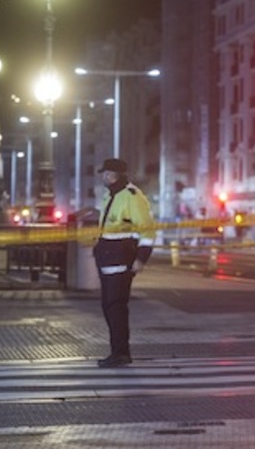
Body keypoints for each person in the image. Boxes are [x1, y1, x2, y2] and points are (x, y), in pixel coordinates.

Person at [93, 157, 155, 368]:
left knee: (116, 306)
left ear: (114, 175)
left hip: (120, 258)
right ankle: (117, 351)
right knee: (109, 306)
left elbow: (146, 229)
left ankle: (120, 353)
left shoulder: (132, 196)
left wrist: (141, 258)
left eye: (106, 173)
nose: (104, 177)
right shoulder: (111, 195)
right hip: (107, 258)